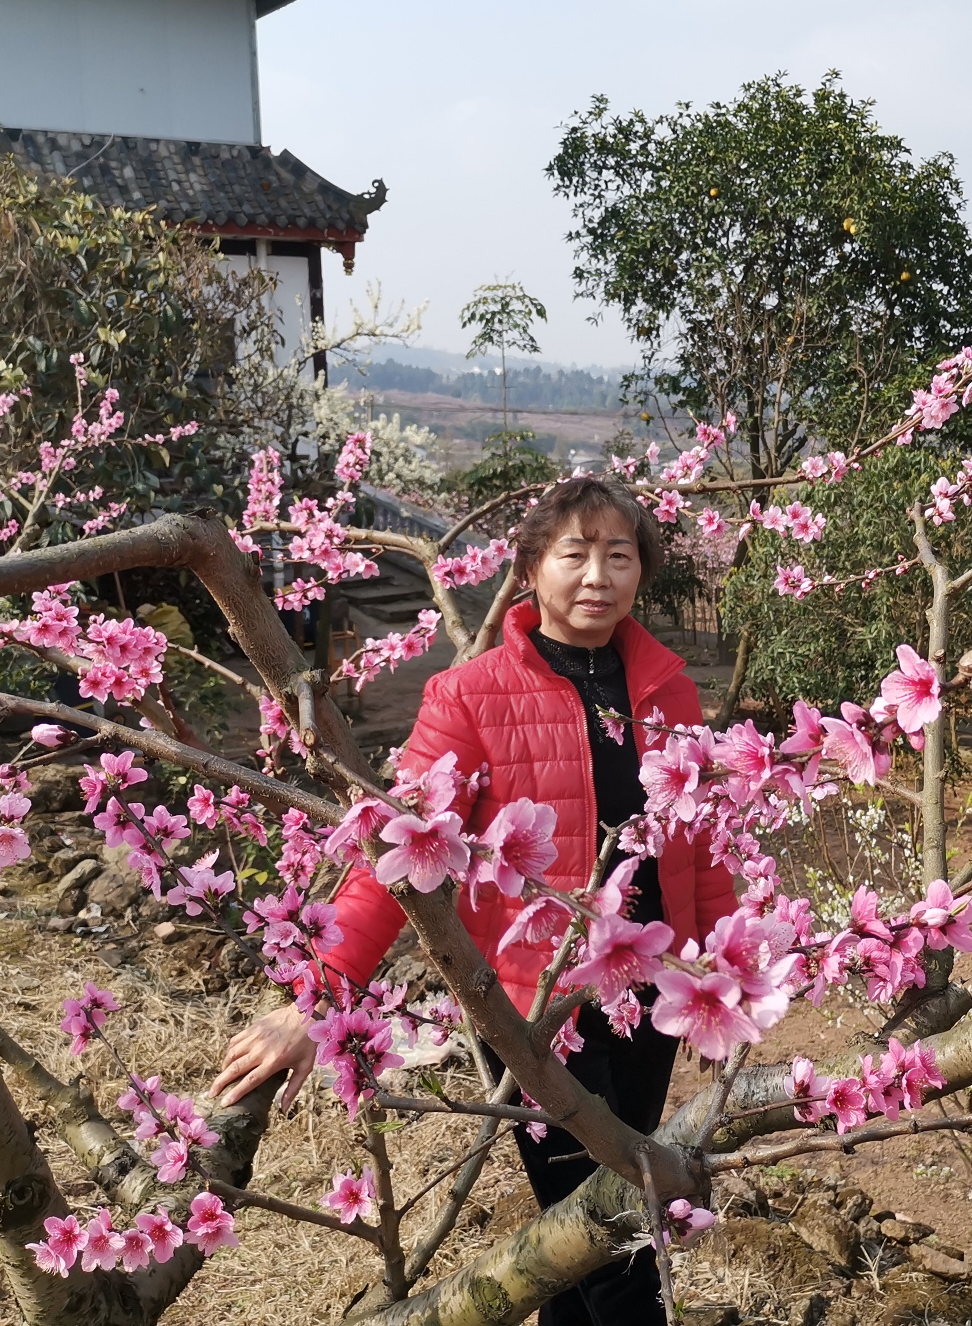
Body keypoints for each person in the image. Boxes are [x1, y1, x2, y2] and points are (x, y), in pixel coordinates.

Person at [212, 476, 736, 1326]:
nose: (598, 575)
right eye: (575, 554)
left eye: (619, 555)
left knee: (582, 1235)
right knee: (614, 1234)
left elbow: (699, 845)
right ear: (530, 567)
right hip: (533, 1005)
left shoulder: (668, 690)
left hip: (649, 990)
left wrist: (723, 979)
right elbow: (398, 858)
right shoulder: (470, 694)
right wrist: (315, 999)